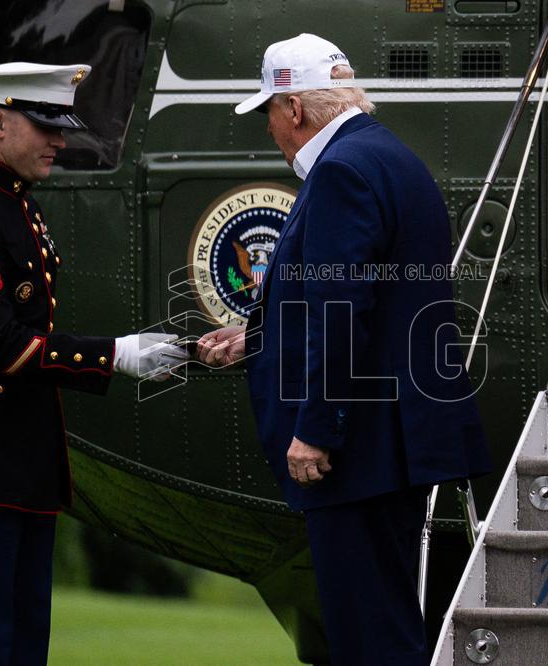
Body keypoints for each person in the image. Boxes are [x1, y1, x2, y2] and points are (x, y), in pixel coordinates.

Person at [197, 34, 492, 665]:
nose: (272, 130)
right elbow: (372, 300)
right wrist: (258, 336)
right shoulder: (388, 157)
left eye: (271, 114)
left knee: (368, 640)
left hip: (358, 452)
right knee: (384, 628)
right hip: (391, 442)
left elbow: (341, 310)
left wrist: (318, 429)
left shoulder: (340, 171)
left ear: (296, 110)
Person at [0, 62, 183, 665]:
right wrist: (117, 355)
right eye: (45, 125)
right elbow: (4, 347)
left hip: (21, 452)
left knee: (26, 642)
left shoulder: (14, 206)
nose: (60, 139)